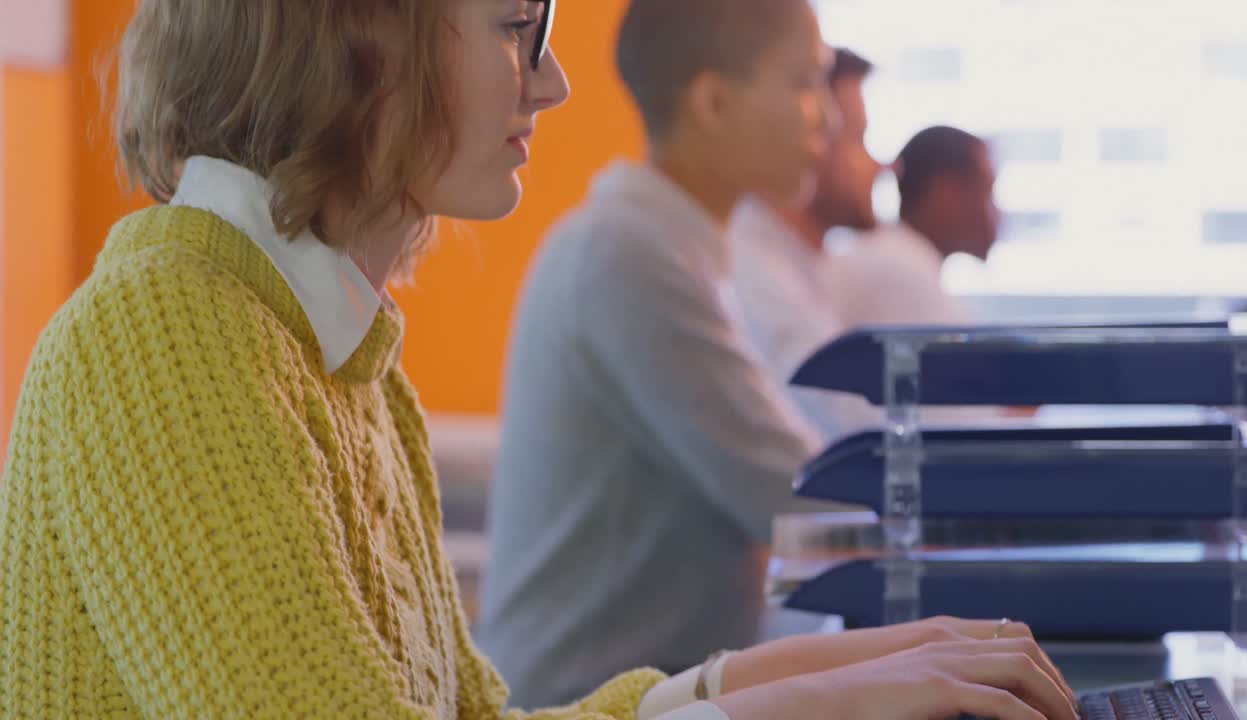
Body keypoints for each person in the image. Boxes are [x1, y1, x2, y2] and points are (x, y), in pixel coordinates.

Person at [0, 1, 1074, 719]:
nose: (552, 81)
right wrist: (801, 702)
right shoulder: (161, 333)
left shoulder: (344, 357)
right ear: (358, 32)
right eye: (520, 26)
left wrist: (823, 678)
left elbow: (478, 715)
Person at [480, 1, 1073, 718]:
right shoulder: (630, 255)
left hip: (667, 688)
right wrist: (1045, 522)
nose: (828, 118)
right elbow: (798, 499)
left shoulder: (687, 248)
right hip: (581, 704)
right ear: (714, 103)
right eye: (804, 82)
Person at [729, 48, 884, 442]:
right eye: (858, 139)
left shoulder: (801, 268)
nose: (878, 166)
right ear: (811, 137)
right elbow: (857, 434)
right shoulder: (756, 277)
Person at [829, 125, 1000, 330]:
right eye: (986, 191)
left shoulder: (901, 256)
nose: (997, 213)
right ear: (945, 193)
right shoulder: (899, 269)